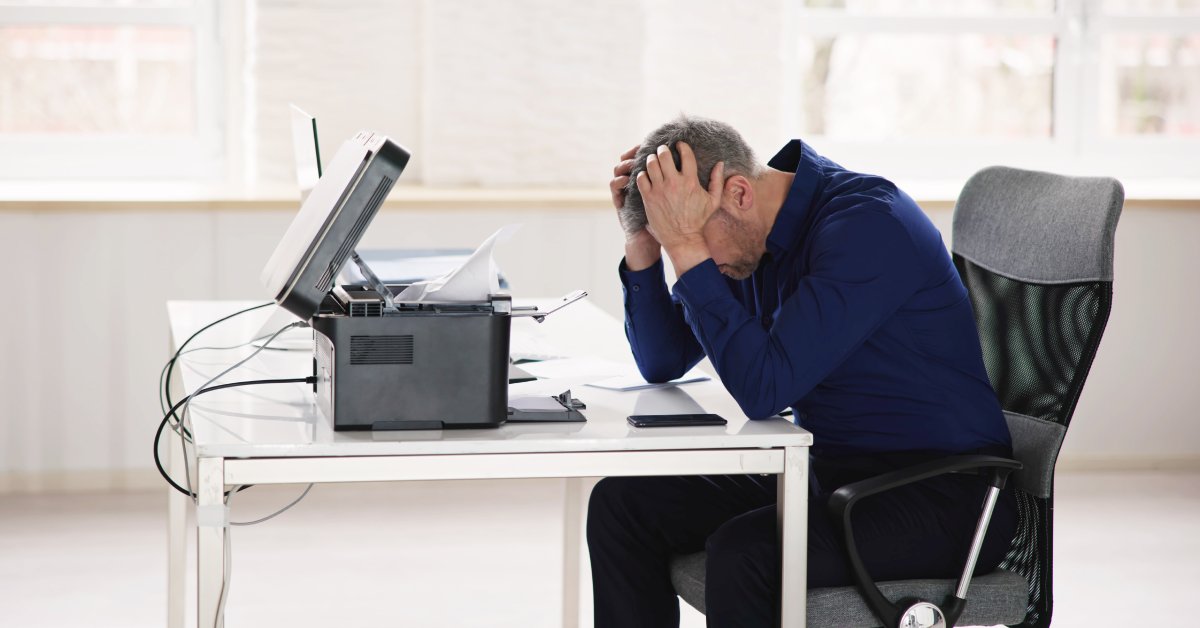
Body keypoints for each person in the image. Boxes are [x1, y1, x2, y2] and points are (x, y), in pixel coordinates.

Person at [586, 115, 1017, 628]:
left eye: (692, 239)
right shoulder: (750, 240)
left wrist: (687, 248)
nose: (691, 260)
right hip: (833, 475)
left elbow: (765, 389)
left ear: (739, 193)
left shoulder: (867, 226)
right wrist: (644, 242)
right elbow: (663, 360)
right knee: (624, 504)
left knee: (745, 554)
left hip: (944, 496)